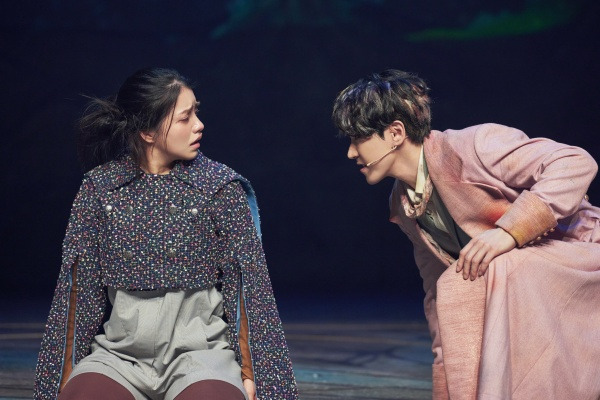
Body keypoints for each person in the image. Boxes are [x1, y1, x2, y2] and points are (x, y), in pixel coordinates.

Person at [332, 69, 600, 399]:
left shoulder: (474, 146)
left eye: (357, 139)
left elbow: (575, 162)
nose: (351, 152)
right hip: (524, 289)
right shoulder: (403, 204)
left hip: (581, 262)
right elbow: (437, 292)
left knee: (502, 265)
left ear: (396, 132)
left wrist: (508, 233)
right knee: (458, 283)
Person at [34, 68, 298, 400]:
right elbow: (77, 290)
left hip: (201, 357)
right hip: (119, 357)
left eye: (196, 113)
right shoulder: (101, 189)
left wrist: (254, 375)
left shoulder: (218, 188)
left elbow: (248, 286)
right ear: (147, 131)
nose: (199, 124)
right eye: (185, 118)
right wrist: (61, 380)